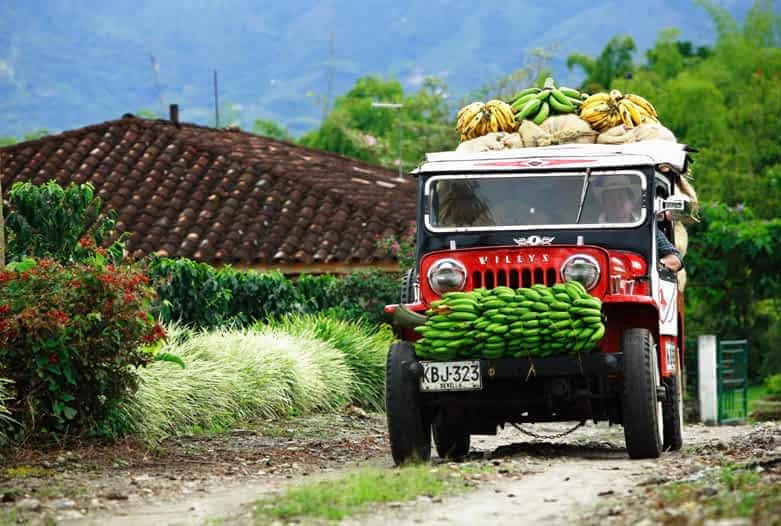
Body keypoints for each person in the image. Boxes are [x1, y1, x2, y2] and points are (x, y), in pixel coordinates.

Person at [600, 186, 683, 273]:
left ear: (631, 203)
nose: (616, 203)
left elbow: (676, 259)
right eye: (610, 199)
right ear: (604, 205)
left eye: (621, 198)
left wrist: (657, 265)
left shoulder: (648, 229)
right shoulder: (589, 227)